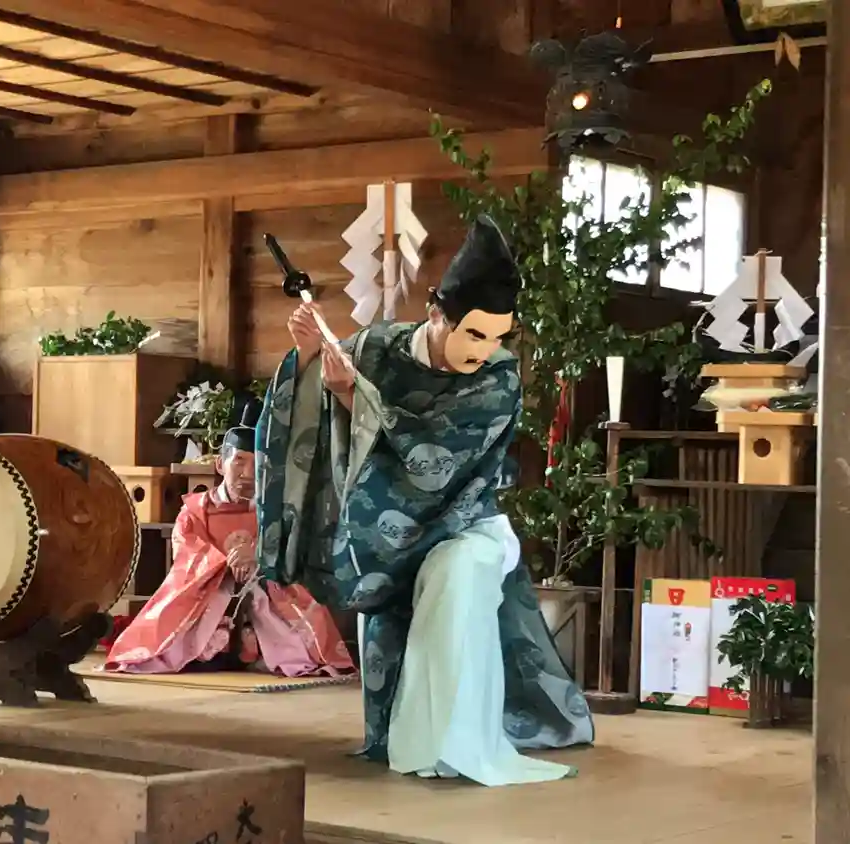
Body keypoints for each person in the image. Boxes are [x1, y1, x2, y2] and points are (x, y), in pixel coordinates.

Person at [254, 216, 594, 786]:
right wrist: (311, 356)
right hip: (392, 537)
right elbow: (320, 405)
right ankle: (413, 744)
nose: (487, 350)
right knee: (406, 596)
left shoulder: (499, 379)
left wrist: (352, 393)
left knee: (454, 577)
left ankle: (457, 746)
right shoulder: (377, 347)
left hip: (468, 523)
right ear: (437, 314)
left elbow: (433, 449)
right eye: (475, 335)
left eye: (499, 337)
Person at [105, 426, 354, 676]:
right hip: (208, 597)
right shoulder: (195, 512)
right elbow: (186, 558)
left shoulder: (276, 513)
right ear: (220, 464)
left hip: (265, 592)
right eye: (239, 462)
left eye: (258, 465)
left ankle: (257, 649)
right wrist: (225, 564)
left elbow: (293, 552)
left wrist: (260, 558)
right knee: (207, 598)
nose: (248, 474)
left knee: (275, 599)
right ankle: (223, 649)